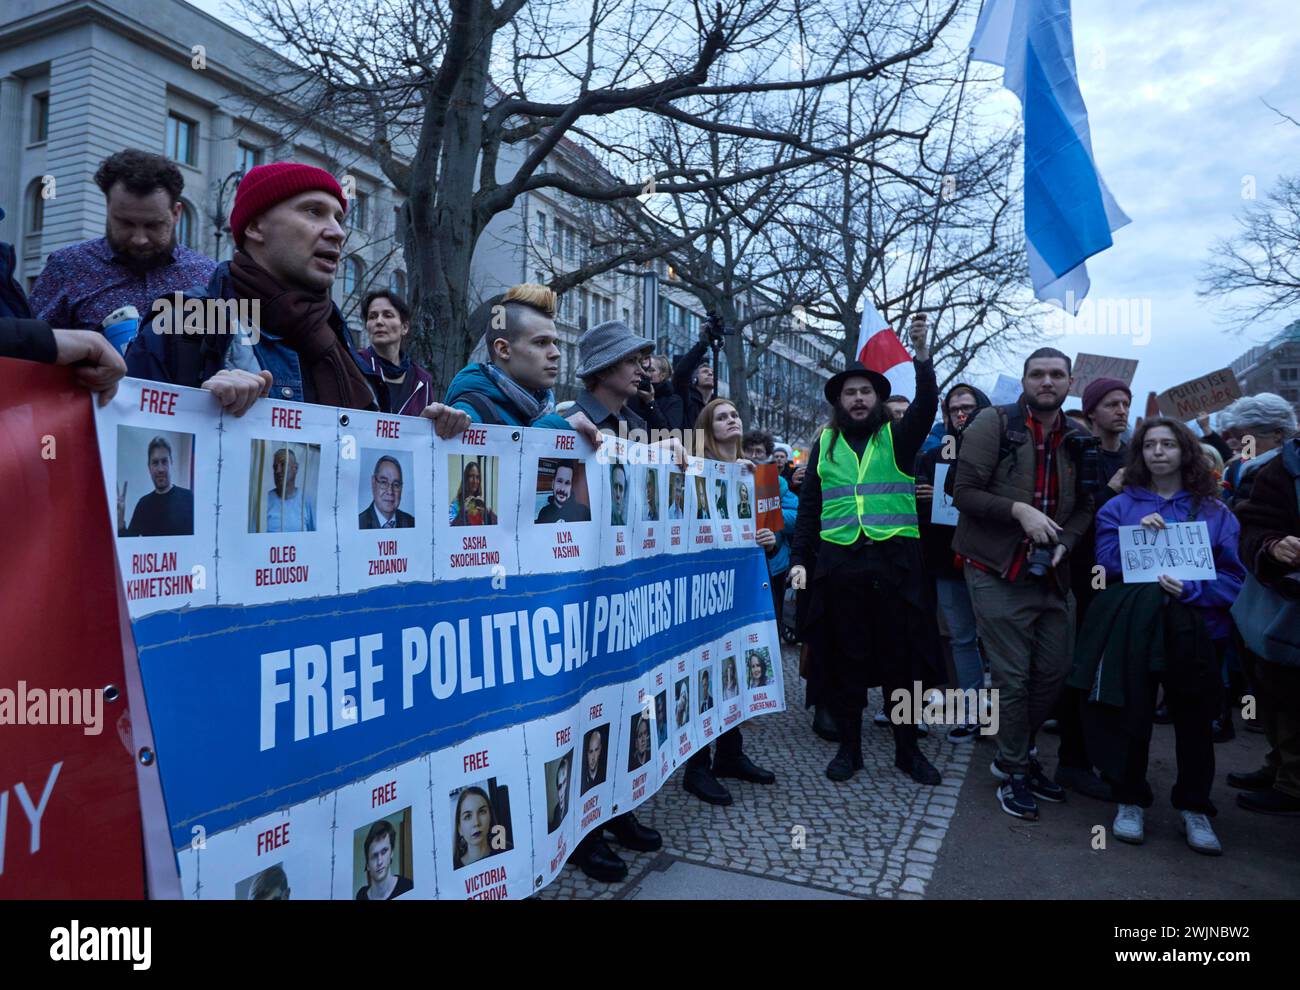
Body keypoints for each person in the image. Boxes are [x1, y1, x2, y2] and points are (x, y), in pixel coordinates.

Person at [125, 161, 468, 436]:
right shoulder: (183, 323)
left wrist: (421, 436)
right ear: (256, 227)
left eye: (338, 217)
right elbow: (134, 452)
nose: (337, 231)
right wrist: (199, 405)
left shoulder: (337, 337)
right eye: (313, 211)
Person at [1073, 417, 1245, 855]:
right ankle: (1129, 798)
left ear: (1185, 452)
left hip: (1198, 631)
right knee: (1132, 713)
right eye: (1150, 445)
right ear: (1140, 453)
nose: (1158, 452)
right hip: (1136, 629)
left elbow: (1233, 579)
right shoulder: (1118, 508)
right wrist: (1137, 540)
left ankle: (1195, 806)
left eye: (1168, 444)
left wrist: (1193, 590)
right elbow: (1103, 567)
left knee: (1193, 719)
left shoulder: (1215, 511)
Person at [790, 314, 943, 787]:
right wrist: (799, 559)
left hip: (895, 568)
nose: (858, 399)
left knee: (902, 662)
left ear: (878, 399)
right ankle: (850, 750)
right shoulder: (827, 443)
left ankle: (907, 750)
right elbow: (811, 504)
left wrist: (922, 357)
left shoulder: (898, 437)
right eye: (849, 393)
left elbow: (926, 405)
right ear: (839, 401)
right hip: (840, 567)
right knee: (846, 660)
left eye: (866, 392)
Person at [951, 348, 1096, 821]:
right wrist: (1019, 511)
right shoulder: (993, 424)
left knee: (1053, 672)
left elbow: (1085, 507)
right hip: (995, 566)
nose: (1047, 382)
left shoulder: (1078, 435)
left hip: (1050, 568)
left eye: (1057, 375)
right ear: (1024, 380)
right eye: (1038, 374)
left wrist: (1066, 543)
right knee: (1012, 677)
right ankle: (1013, 766)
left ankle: (1020, 751)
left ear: (1070, 383)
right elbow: (963, 493)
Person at [681, 398, 779, 804]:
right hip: (704, 590)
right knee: (705, 669)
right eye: (721, 416)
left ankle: (731, 753)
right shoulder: (690, 472)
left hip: (741, 589)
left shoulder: (759, 477)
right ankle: (697, 767)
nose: (732, 419)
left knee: (736, 663)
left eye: (735, 414)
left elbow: (768, 536)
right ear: (707, 427)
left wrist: (769, 541)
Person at [30, 149, 216, 333]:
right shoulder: (66, 267)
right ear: (108, 207)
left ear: (176, 214)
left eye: (153, 225)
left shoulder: (208, 277)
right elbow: (29, 351)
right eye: (126, 223)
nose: (139, 240)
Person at [1052, 377, 1134, 797]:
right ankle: (1073, 760)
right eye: (1111, 404)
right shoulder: (1078, 455)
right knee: (1078, 668)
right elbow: (1072, 515)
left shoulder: (1138, 458)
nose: (1121, 410)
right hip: (1083, 577)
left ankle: (1115, 758)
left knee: (1118, 670)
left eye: (1125, 403)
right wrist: (1109, 490)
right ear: (1092, 412)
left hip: (1127, 579)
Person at [913, 383, 988, 743]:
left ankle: (1012, 723)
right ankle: (972, 714)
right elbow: (922, 520)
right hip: (948, 562)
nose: (961, 414)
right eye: (955, 409)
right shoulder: (931, 459)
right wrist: (924, 500)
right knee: (961, 638)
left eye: (969, 408)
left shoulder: (1002, 452)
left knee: (1001, 642)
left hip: (994, 561)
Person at [1232, 432, 1300, 815]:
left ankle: (1293, 783)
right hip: (1279, 605)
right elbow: (1252, 524)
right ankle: (1282, 770)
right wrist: (1273, 546)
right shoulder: (1285, 467)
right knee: (1275, 686)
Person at [1, 206, 126, 403]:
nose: (139, 238)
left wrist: (61, 356)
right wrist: (49, 344)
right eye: (125, 222)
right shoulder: (67, 262)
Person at [445, 284, 595, 441]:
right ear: (503, 349)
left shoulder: (543, 409)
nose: (556, 353)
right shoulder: (469, 414)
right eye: (541, 342)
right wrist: (557, 426)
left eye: (554, 343)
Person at [741, 429, 799, 621]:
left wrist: (768, 512)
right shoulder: (732, 475)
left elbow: (795, 515)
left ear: (767, 456)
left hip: (773, 562)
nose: (754, 456)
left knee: (771, 615)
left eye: (759, 452)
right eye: (749, 451)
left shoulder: (778, 482)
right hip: (742, 560)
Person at [355, 291, 435, 416]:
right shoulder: (354, 366)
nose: (379, 322)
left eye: (388, 315)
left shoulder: (422, 381)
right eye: (372, 317)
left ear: (404, 327)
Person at [1218, 394, 1298, 508]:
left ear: (1277, 434)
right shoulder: (1241, 470)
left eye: (1245, 438)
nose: (1241, 445)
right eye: (1238, 438)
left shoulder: (1277, 476)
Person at [117, 435, 194, 537]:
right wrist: (120, 522)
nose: (160, 469)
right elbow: (129, 544)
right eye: (155, 463)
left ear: (171, 463)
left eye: (164, 461)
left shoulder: (189, 497)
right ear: (149, 467)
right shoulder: (143, 504)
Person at [669, 332, 716, 431]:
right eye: (705, 371)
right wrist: (701, 346)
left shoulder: (716, 404)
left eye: (712, 372)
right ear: (694, 378)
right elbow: (681, 373)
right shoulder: (687, 399)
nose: (710, 374)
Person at [357, 819, 414, 899]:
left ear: (391, 853)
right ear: (367, 864)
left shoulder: (407, 887)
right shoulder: (361, 895)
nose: (379, 861)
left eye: (384, 852)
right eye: (374, 856)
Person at [263, 447, 315, 532]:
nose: (277, 471)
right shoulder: (264, 501)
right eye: (275, 467)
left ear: (296, 468)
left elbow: (315, 538)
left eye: (283, 464)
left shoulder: (306, 501)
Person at [359, 455, 414, 529]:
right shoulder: (359, 524)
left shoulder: (411, 522)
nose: (390, 491)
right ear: (373, 483)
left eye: (396, 485)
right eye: (384, 482)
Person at [452, 787, 498, 871]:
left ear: (490, 816)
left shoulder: (506, 850)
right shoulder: (453, 867)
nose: (476, 823)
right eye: (468, 816)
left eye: (482, 812)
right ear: (459, 829)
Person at [451, 460, 497, 526]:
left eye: (477, 477)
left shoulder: (480, 504)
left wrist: (488, 513)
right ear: (465, 479)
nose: (475, 481)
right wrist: (462, 512)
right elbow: (451, 531)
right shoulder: (455, 504)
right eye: (471, 476)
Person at [548, 754, 572, 834]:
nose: (561, 792)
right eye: (559, 786)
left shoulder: (571, 804)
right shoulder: (556, 811)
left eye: (564, 782)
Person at [580, 728, 606, 793]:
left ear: (600, 750)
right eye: (591, 752)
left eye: (596, 750)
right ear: (586, 753)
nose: (593, 758)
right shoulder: (581, 778)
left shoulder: (604, 774)